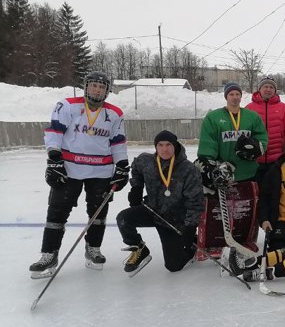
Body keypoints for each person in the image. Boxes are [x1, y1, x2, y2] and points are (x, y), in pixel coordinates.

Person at [31, 71, 129, 278]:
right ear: (85, 87)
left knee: (98, 213)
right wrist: (54, 159)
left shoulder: (115, 113)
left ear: (107, 91)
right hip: (69, 169)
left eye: (101, 87)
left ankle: (93, 248)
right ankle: (49, 253)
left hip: (100, 171)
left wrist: (122, 166)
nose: (97, 89)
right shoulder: (67, 106)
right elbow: (55, 132)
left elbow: (118, 143)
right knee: (57, 211)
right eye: (93, 85)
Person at [118, 130, 204, 275]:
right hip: (151, 210)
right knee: (123, 219)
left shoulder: (188, 169)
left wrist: (190, 227)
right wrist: (137, 188)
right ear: (155, 147)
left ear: (175, 146)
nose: (164, 149)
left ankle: (191, 247)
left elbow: (195, 202)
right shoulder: (147, 161)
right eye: (160, 145)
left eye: (168, 145)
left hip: (174, 221)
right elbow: (136, 168)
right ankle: (139, 248)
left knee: (173, 266)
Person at [197, 82, 268, 187]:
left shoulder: (252, 116)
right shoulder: (213, 118)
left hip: (248, 172)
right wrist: (210, 164)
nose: (235, 97)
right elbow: (208, 142)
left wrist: (256, 147)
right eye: (231, 94)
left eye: (237, 94)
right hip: (223, 173)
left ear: (241, 96)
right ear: (226, 97)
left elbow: (262, 136)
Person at [247, 76, 285, 184]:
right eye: (265, 86)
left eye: (271, 87)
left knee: (275, 192)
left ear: (275, 90)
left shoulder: (284, 108)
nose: (268, 89)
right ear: (259, 89)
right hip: (255, 160)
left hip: (277, 160)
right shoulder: (249, 108)